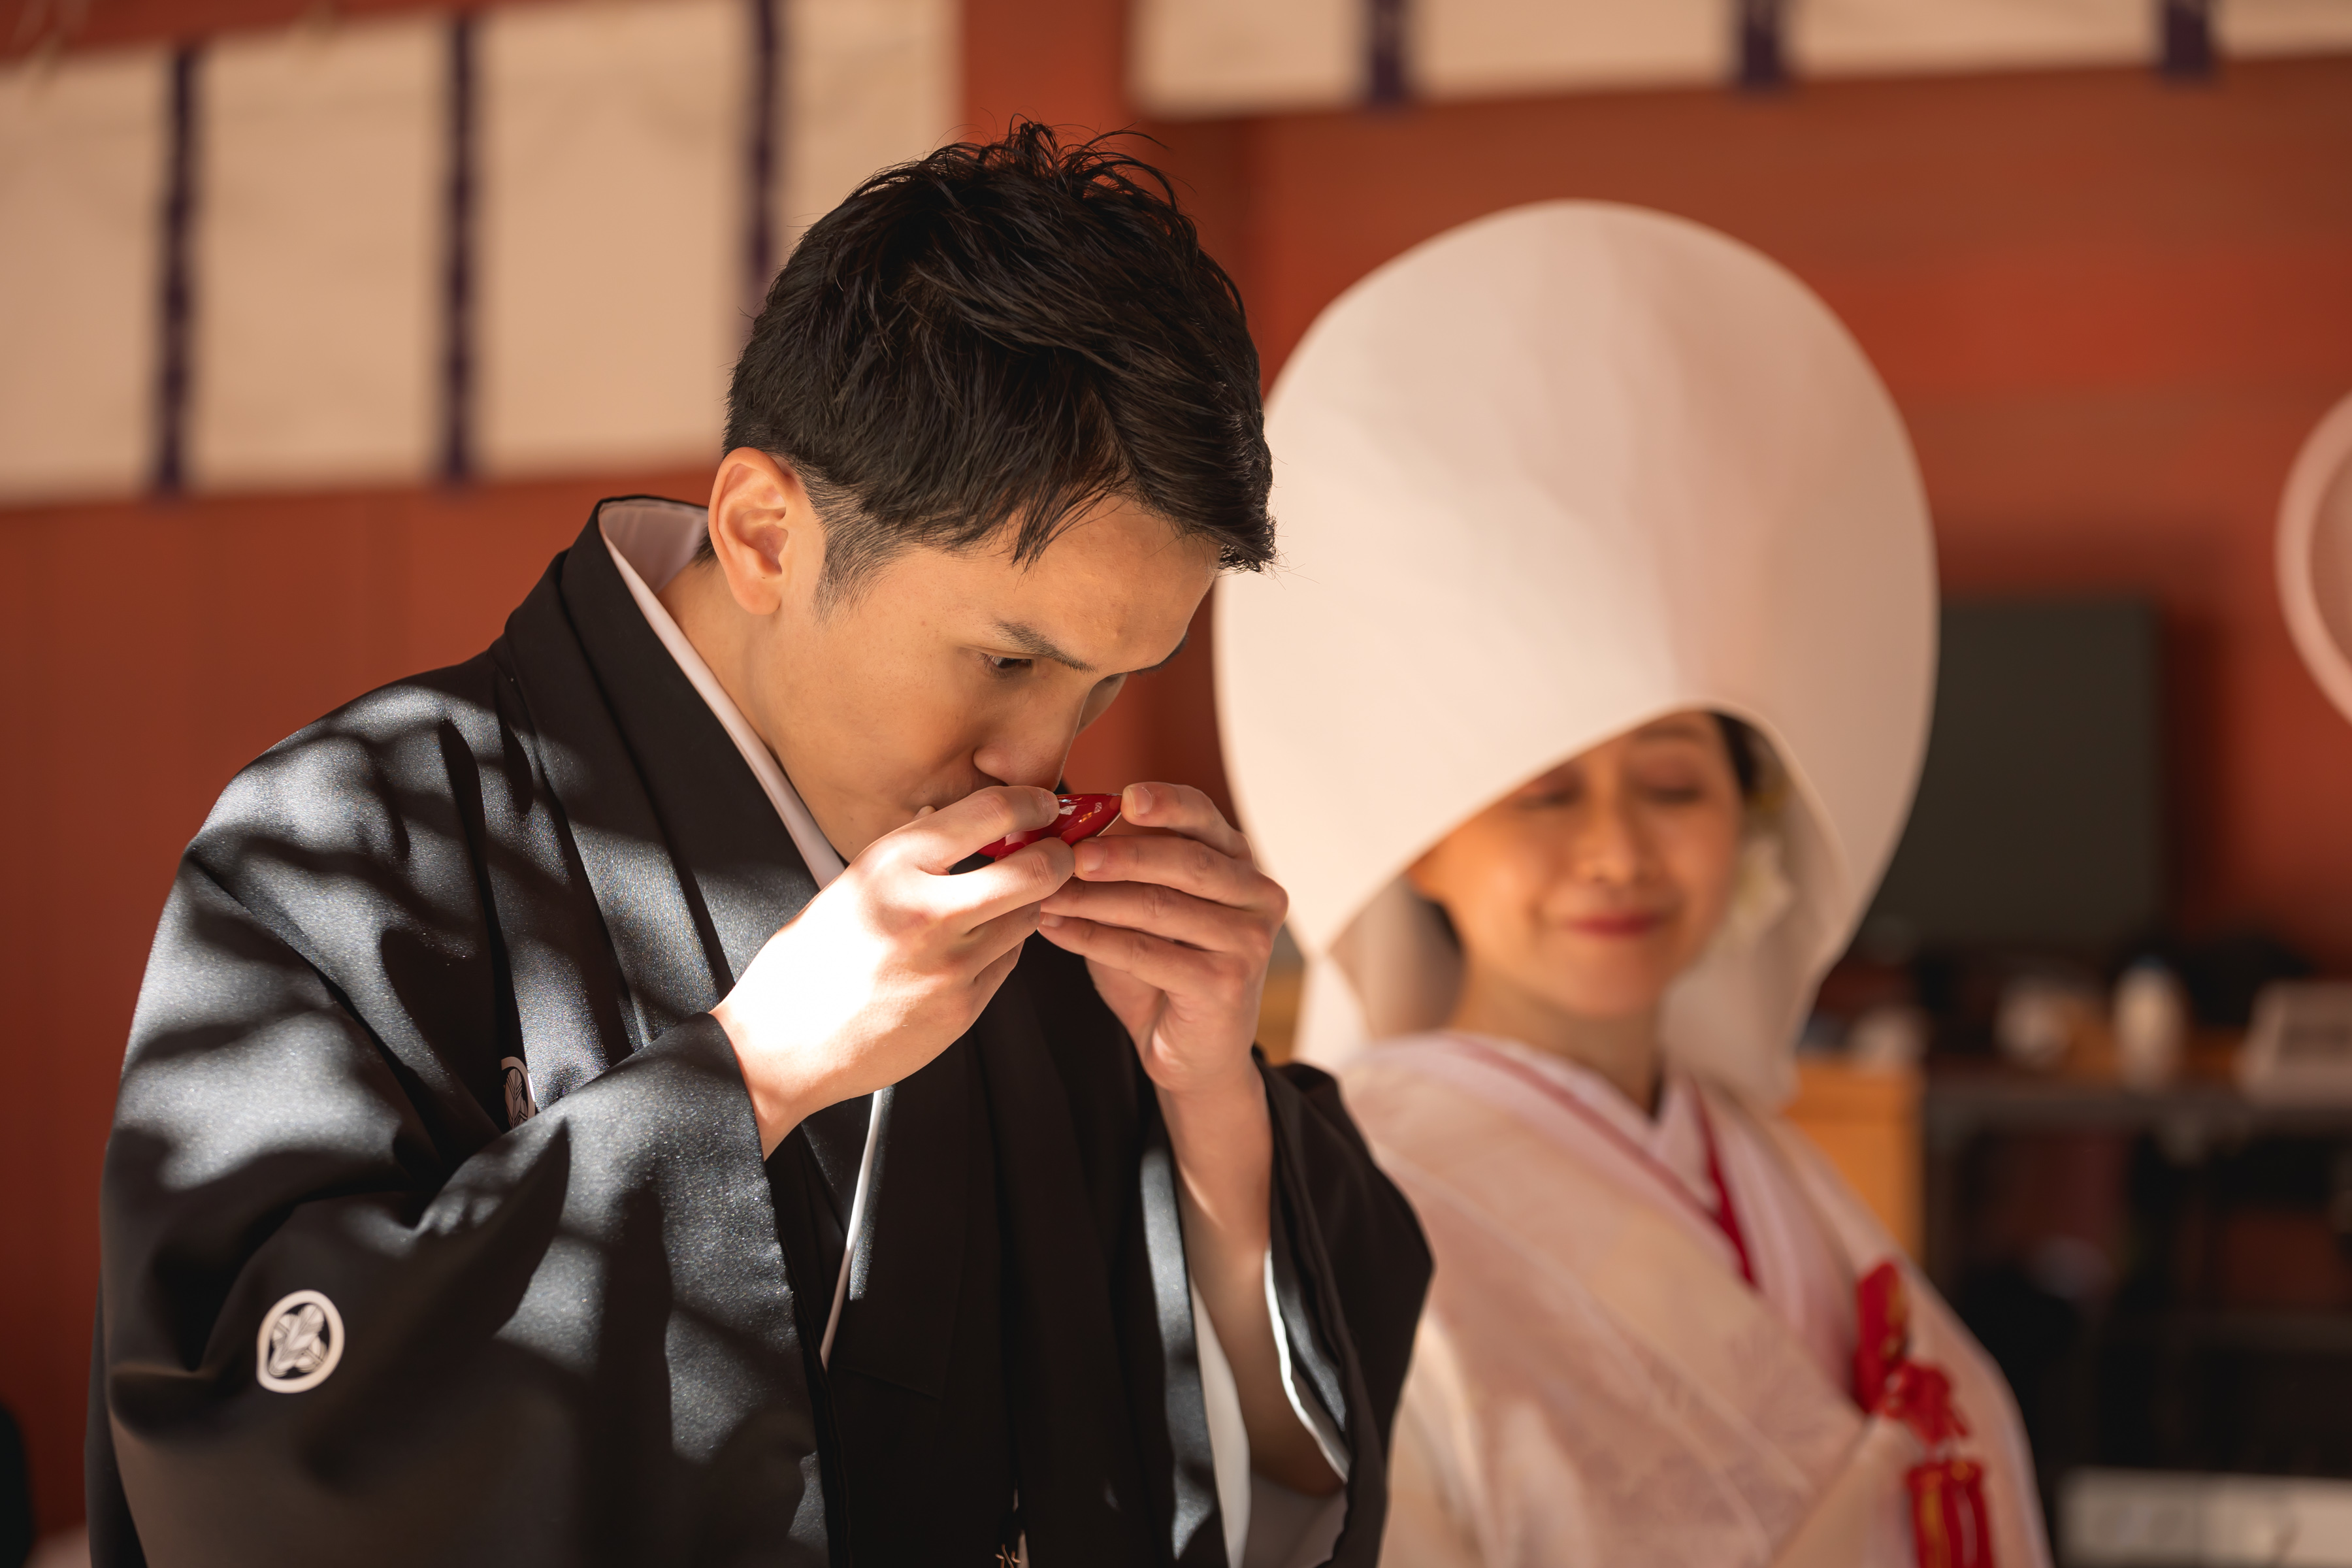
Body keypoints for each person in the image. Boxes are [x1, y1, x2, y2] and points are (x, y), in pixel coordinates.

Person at [90, 126, 1427, 1568]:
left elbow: (1238, 1481)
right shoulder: (352, 844)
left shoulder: (1048, 947)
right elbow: (251, 1457)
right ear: (766, 534)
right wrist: (751, 1080)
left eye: (1108, 685)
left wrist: (1207, 1101)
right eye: (1004, 661)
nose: (1042, 758)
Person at [1217, 203, 2050, 1567]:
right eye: (1545, 795)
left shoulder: (1765, 1163)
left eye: (1673, 785)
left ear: (1749, 818)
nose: (1616, 850)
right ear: (1420, 833)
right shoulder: (1342, 1197)